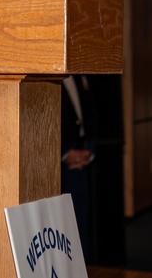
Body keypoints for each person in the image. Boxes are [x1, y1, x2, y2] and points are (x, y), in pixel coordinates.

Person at [61, 74, 98, 252]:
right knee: (61, 223)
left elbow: (91, 113)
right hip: (57, 162)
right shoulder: (43, 73)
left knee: (79, 219)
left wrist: (89, 150)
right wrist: (62, 153)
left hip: (81, 157)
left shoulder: (78, 74)